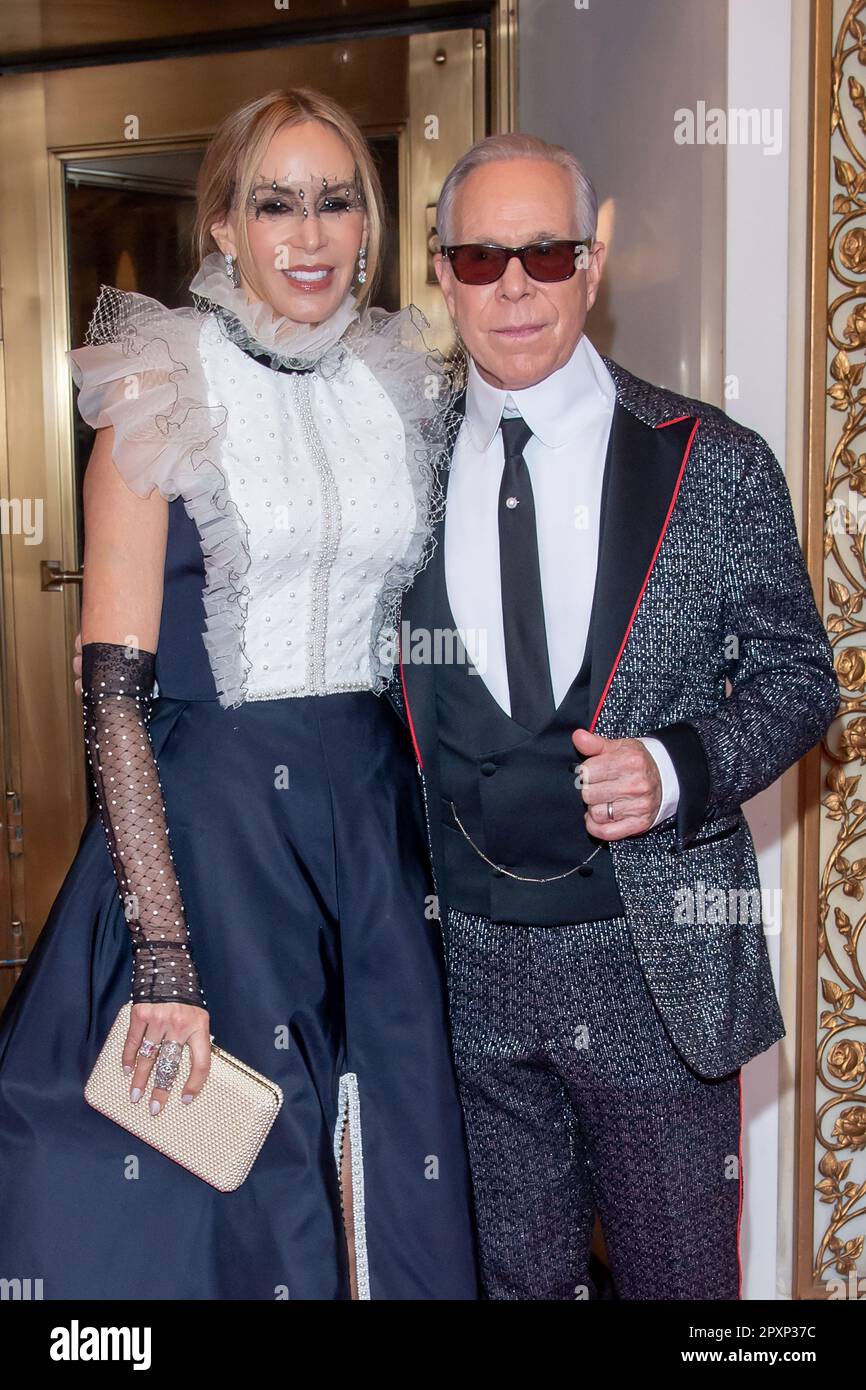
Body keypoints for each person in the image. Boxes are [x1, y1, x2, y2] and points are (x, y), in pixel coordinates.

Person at [0, 88, 479, 1302]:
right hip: (210, 837)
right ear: (221, 226)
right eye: (274, 203)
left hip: (372, 824)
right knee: (226, 1179)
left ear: (368, 226)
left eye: (334, 202)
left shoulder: (403, 389)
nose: (307, 235)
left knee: (387, 1149)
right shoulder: (161, 387)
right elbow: (111, 693)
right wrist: (162, 949)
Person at [389, 133, 839, 1300]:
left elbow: (802, 677)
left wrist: (677, 763)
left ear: (595, 259)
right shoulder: (395, 464)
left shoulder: (711, 461)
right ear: (440, 270)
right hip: (461, 968)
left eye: (544, 252)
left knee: (681, 1288)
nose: (515, 287)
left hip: (652, 971)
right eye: (481, 257)